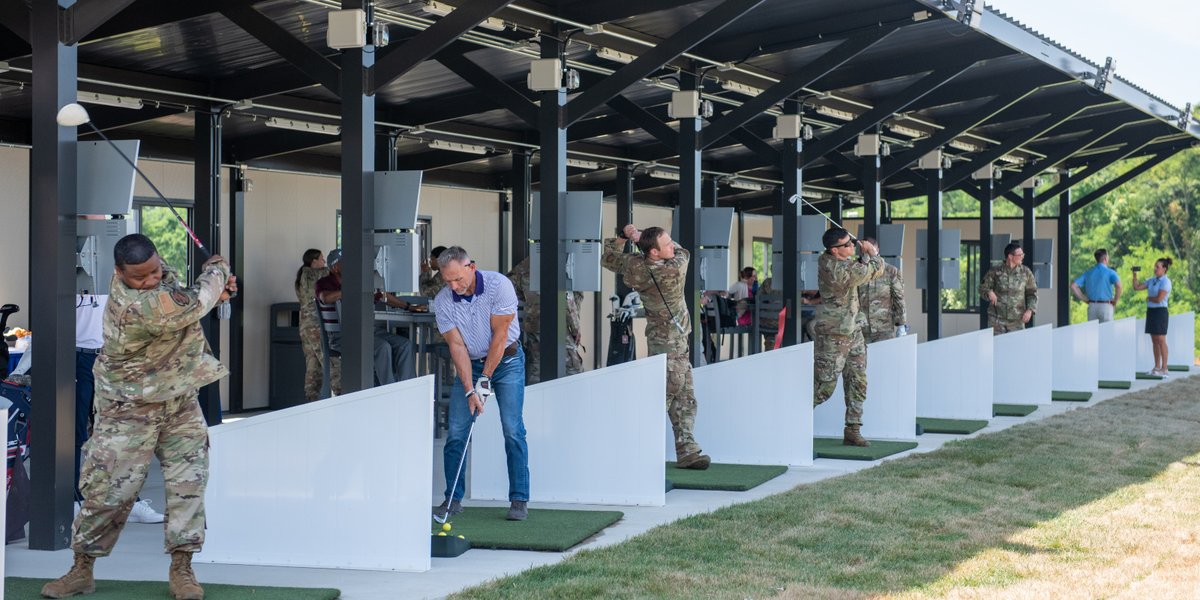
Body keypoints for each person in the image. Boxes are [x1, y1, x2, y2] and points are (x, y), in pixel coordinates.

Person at [42, 234, 237, 600]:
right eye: (139, 277)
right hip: (128, 408)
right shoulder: (135, 304)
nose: (149, 279)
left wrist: (219, 292)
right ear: (118, 272)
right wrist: (217, 270)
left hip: (179, 401)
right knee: (108, 492)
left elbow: (188, 298)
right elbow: (194, 303)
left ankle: (183, 568)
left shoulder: (159, 279)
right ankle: (81, 568)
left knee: (188, 486)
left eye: (153, 270)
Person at [431, 247, 530, 521]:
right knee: (457, 432)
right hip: (471, 363)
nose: (454, 286)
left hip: (507, 361)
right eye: (447, 281)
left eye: (457, 279)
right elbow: (457, 347)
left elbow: (500, 337)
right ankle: (452, 498)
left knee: (512, 429)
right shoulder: (442, 302)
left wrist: (484, 382)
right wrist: (468, 389)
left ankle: (519, 499)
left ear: (470, 267)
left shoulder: (500, 286)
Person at [602, 224, 710, 470]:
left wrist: (622, 237)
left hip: (668, 342)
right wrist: (638, 236)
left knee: (685, 398)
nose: (672, 245)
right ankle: (634, 450)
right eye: (667, 244)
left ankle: (688, 451)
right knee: (664, 396)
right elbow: (685, 252)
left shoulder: (636, 266)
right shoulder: (673, 269)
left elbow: (608, 258)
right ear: (654, 252)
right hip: (670, 345)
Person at [74, 293, 165, 525]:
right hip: (77, 356)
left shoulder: (116, 270)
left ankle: (129, 502)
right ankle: (74, 501)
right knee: (75, 434)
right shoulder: (74, 273)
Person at [813, 228, 884, 447]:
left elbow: (859, 267)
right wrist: (873, 253)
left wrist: (863, 256)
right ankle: (789, 420)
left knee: (858, 380)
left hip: (853, 330)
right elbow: (874, 270)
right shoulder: (836, 268)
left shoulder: (840, 261)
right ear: (835, 251)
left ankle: (853, 429)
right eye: (848, 244)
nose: (853, 246)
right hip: (835, 335)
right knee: (824, 387)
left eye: (852, 242)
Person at [315, 249, 416, 386]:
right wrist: (352, 288)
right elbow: (325, 298)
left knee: (405, 345)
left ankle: (406, 389)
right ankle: (389, 391)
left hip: (368, 330)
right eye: (345, 262)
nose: (352, 265)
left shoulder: (358, 281)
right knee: (383, 347)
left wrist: (408, 306)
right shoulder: (325, 283)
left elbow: (383, 296)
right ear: (334, 267)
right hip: (342, 336)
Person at [507, 255, 584, 384]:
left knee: (537, 366)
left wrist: (531, 303)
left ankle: (538, 400)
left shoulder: (526, 264)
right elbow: (568, 299)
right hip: (560, 324)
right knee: (572, 369)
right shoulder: (565, 260)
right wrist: (576, 328)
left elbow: (510, 286)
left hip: (534, 323)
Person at [979, 242, 1038, 335]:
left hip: (1017, 320)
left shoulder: (1026, 272)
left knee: (1017, 348)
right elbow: (982, 288)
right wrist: (989, 292)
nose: (1022, 256)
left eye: (1023, 254)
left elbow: (1032, 293)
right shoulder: (995, 271)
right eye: (1020, 255)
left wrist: (1030, 310)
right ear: (1010, 256)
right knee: (996, 348)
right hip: (996, 320)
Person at [295, 248, 330, 400]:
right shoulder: (311, 274)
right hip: (315, 325)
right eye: (322, 259)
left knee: (312, 363)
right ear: (314, 261)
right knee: (326, 359)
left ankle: (312, 398)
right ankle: (336, 393)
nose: (324, 262)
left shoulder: (303, 275)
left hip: (305, 325)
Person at [856, 238, 907, 343]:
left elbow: (899, 299)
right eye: (866, 251)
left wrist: (901, 324)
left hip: (883, 328)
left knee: (884, 358)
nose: (869, 254)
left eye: (871, 251)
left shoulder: (890, 271)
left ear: (877, 250)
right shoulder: (855, 270)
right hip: (859, 328)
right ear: (861, 250)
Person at [1131, 257, 1173, 376]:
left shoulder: (1166, 281)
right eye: (1155, 266)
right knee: (1154, 340)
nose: (1155, 269)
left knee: (1161, 340)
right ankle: (1156, 367)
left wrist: (1149, 298)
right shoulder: (1152, 280)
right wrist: (1134, 275)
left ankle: (1164, 368)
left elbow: (1159, 298)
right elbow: (1137, 287)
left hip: (1161, 312)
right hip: (1151, 312)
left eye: (1158, 267)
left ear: (1164, 269)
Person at [1071, 248, 1122, 323]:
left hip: (1092, 307)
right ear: (1105, 258)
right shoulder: (1110, 272)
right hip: (1106, 306)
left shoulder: (1089, 272)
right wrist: (1115, 301)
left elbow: (1073, 286)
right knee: (1107, 333)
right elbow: (1119, 286)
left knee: (1093, 333)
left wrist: (1084, 299)